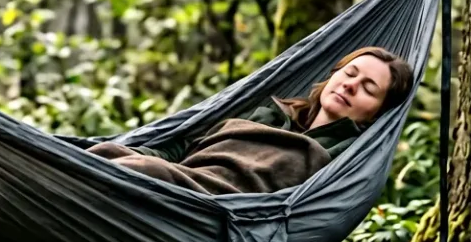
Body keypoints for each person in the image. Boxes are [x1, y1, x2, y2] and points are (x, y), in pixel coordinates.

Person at [86, 47, 415, 195]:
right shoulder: (270, 112)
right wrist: (134, 154)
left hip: (212, 208)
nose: (350, 85)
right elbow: (184, 149)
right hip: (185, 176)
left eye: (368, 88)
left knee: (142, 170)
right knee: (105, 154)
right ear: (332, 76)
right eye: (349, 73)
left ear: (377, 112)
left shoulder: (347, 154)